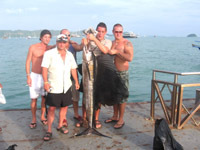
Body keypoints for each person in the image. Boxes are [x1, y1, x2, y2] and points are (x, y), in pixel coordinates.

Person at [42, 34, 79, 141]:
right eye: (60, 42)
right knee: (52, 109)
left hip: (66, 86)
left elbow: (73, 69)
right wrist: (45, 82)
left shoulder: (70, 55)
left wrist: (76, 81)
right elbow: (44, 68)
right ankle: (49, 130)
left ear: (67, 43)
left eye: (64, 42)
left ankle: (60, 125)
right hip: (54, 86)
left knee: (64, 107)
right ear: (57, 42)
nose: (62, 44)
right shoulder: (49, 54)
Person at [76, 22, 112, 129]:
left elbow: (105, 50)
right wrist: (84, 42)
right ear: (96, 31)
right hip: (87, 71)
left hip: (100, 74)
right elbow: (81, 48)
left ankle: (95, 119)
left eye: (102, 32)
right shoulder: (89, 41)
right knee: (85, 97)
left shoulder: (107, 42)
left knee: (98, 98)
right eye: (98, 31)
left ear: (105, 32)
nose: (100, 34)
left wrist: (94, 39)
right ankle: (84, 118)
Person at [105, 23, 133, 129]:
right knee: (114, 97)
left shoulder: (127, 43)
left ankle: (121, 119)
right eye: (116, 31)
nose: (118, 33)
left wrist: (117, 52)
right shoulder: (111, 42)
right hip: (112, 74)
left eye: (120, 31)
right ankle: (115, 116)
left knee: (122, 97)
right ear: (112, 32)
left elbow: (129, 58)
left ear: (122, 32)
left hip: (122, 74)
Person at [25, 29, 52, 129]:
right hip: (34, 75)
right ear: (41, 37)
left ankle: (42, 116)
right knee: (34, 99)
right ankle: (33, 119)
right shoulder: (33, 47)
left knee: (44, 98)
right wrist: (28, 76)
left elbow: (62, 45)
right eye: (45, 37)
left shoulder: (50, 48)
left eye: (49, 37)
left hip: (45, 76)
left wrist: (70, 40)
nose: (47, 39)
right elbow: (28, 62)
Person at [59, 29, 84, 127]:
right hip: (62, 76)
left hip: (73, 76)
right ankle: (63, 117)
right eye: (65, 35)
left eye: (69, 35)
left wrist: (83, 42)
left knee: (75, 97)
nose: (67, 37)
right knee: (63, 98)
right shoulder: (58, 47)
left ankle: (76, 114)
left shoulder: (73, 46)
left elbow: (80, 48)